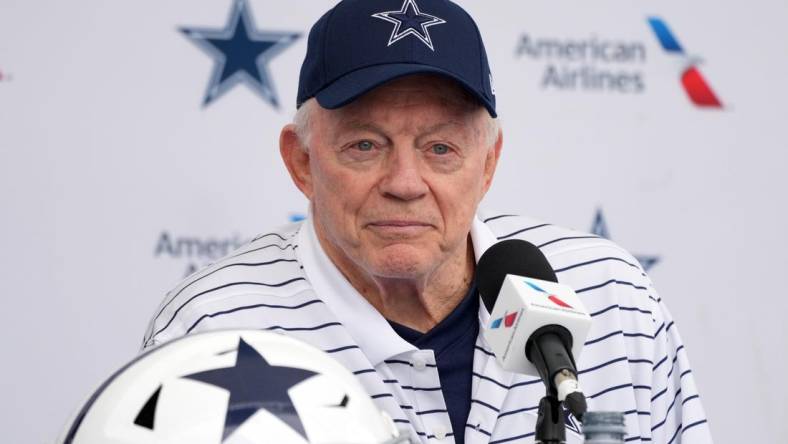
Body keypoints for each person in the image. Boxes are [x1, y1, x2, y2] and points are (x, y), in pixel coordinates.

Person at [143, 0, 712, 443]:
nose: (406, 182)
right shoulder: (215, 328)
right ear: (302, 162)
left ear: (488, 163)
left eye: (440, 148)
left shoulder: (611, 295)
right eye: (366, 145)